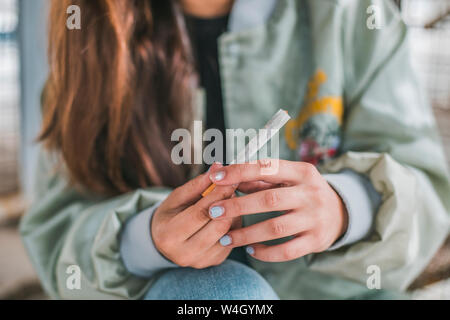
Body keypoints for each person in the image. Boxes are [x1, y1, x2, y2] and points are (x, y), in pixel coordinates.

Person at [20, 0, 450, 300]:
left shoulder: (351, 17)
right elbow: (58, 232)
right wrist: (147, 241)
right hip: (177, 293)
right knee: (224, 295)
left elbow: (426, 196)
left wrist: (342, 209)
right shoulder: (91, 46)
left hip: (343, 292)